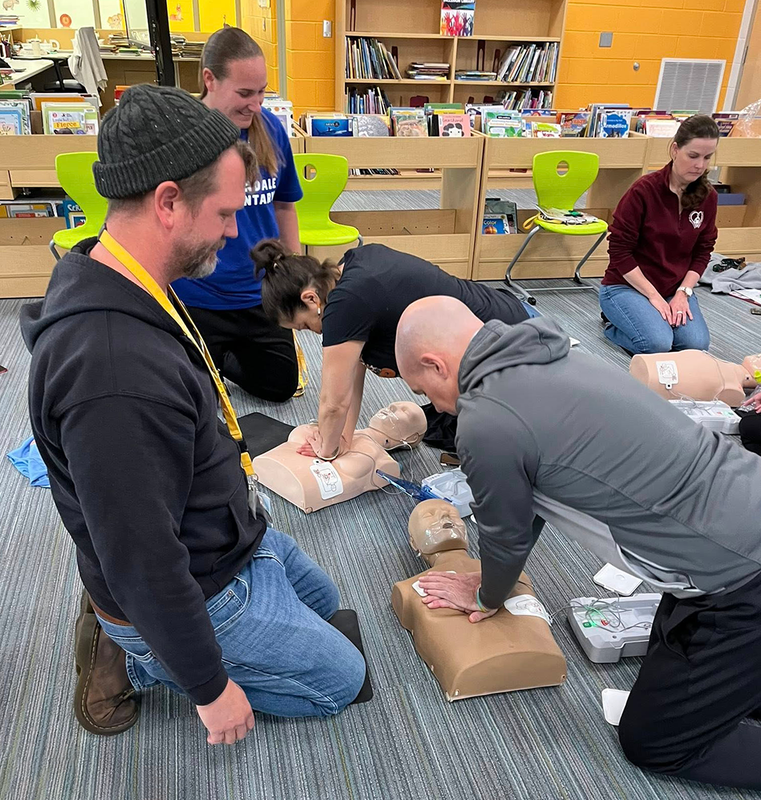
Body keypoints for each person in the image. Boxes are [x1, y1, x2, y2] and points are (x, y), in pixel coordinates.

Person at [21, 85, 365, 744]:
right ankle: (140, 655)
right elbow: (143, 558)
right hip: (190, 576)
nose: (237, 232)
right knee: (338, 681)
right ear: (168, 201)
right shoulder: (113, 376)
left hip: (222, 529)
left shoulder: (121, 269)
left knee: (323, 604)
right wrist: (209, 689)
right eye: (225, 213)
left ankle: (157, 630)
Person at [395, 296, 761, 790]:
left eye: (425, 390)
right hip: (736, 516)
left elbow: (505, 532)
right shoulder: (551, 348)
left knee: (654, 739)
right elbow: (530, 503)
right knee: (667, 666)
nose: (436, 407)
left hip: (740, 574)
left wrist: (485, 594)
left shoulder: (486, 420)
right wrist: (494, 572)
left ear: (435, 364)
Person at [252, 240, 530, 460]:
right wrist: (342, 440)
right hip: (507, 319)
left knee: (488, 454)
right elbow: (350, 378)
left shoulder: (344, 304)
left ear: (311, 298)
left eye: (304, 325)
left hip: (509, 350)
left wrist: (324, 451)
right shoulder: (348, 269)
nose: (313, 332)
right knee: (443, 424)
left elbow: (333, 403)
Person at [172, 26, 303, 402]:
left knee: (280, 387)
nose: (256, 104)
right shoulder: (183, 136)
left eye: (262, 91)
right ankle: (207, 361)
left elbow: (284, 204)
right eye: (245, 93)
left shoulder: (272, 130)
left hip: (258, 292)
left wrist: (292, 275)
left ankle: (221, 360)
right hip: (197, 295)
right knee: (197, 400)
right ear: (209, 80)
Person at [599, 115, 720, 354]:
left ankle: (644, 320)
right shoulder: (643, 191)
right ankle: (612, 323)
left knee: (695, 345)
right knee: (657, 344)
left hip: (674, 288)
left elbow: (704, 250)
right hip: (626, 286)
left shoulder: (709, 197)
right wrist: (654, 297)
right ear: (675, 150)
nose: (700, 165)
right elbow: (619, 252)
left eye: (707, 158)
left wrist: (683, 293)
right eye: (693, 156)